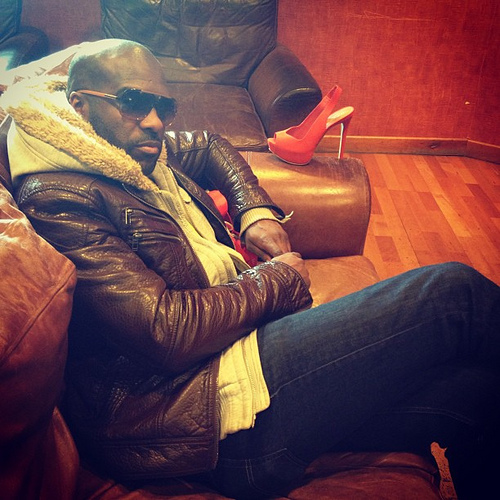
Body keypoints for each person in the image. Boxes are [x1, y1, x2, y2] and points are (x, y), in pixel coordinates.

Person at [2, 39, 499, 499]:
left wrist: (254, 210)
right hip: (197, 414)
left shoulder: (123, 149)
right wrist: (280, 280)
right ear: (79, 105)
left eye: (163, 107)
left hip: (233, 359)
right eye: (133, 101)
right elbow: (163, 330)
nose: (154, 121)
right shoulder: (59, 198)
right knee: (455, 294)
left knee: (476, 396)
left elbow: (210, 144)